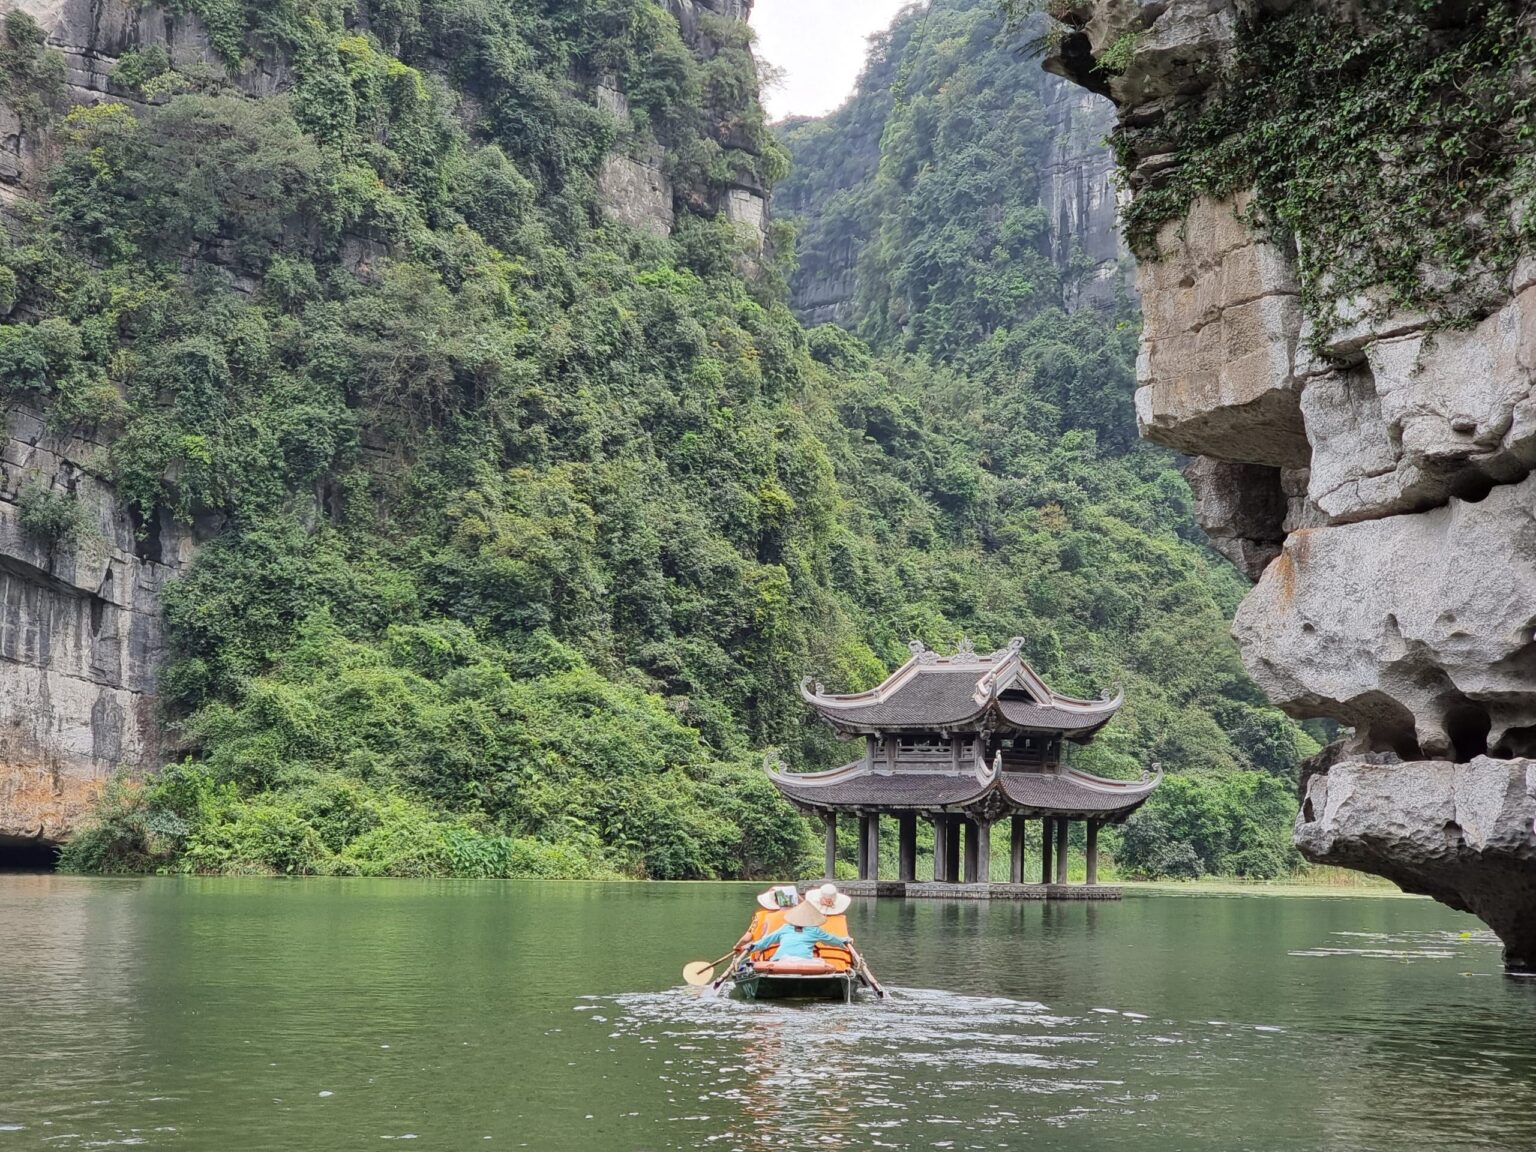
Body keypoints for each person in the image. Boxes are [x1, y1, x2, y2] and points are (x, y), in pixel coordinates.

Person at [742, 899, 850, 962]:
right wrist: (845, 941)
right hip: (804, 961)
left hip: (781, 959)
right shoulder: (814, 930)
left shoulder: (785, 928)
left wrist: (751, 946)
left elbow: (765, 941)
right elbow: (832, 940)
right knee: (820, 962)